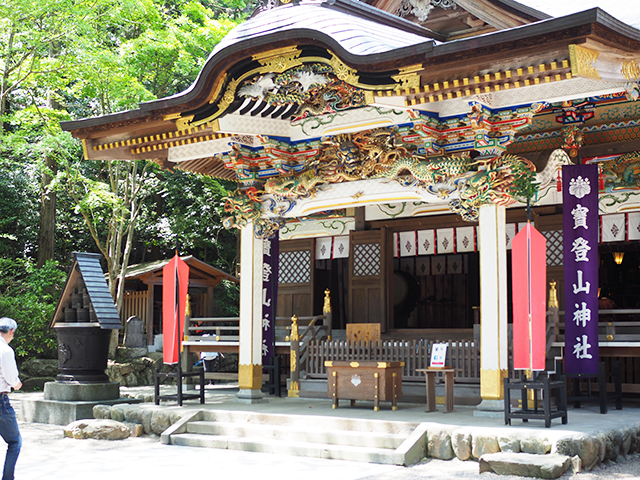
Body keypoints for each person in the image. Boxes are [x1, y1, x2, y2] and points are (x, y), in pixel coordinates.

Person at [0, 318, 21, 480]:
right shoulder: (5, 351)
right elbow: (12, 380)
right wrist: (17, 384)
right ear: (11, 332)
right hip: (1, 402)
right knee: (14, 442)